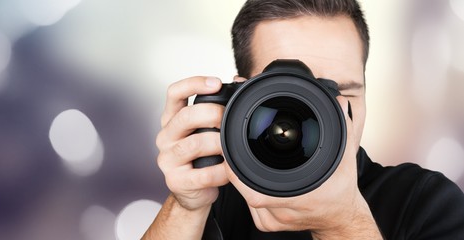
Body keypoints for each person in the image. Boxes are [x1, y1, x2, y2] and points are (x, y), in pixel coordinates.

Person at [143, 0, 464, 239]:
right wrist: (186, 207)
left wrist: (343, 222)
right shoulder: (217, 193)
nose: (321, 116)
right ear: (239, 98)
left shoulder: (425, 201)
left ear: (365, 92)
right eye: (294, 95)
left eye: (340, 95)